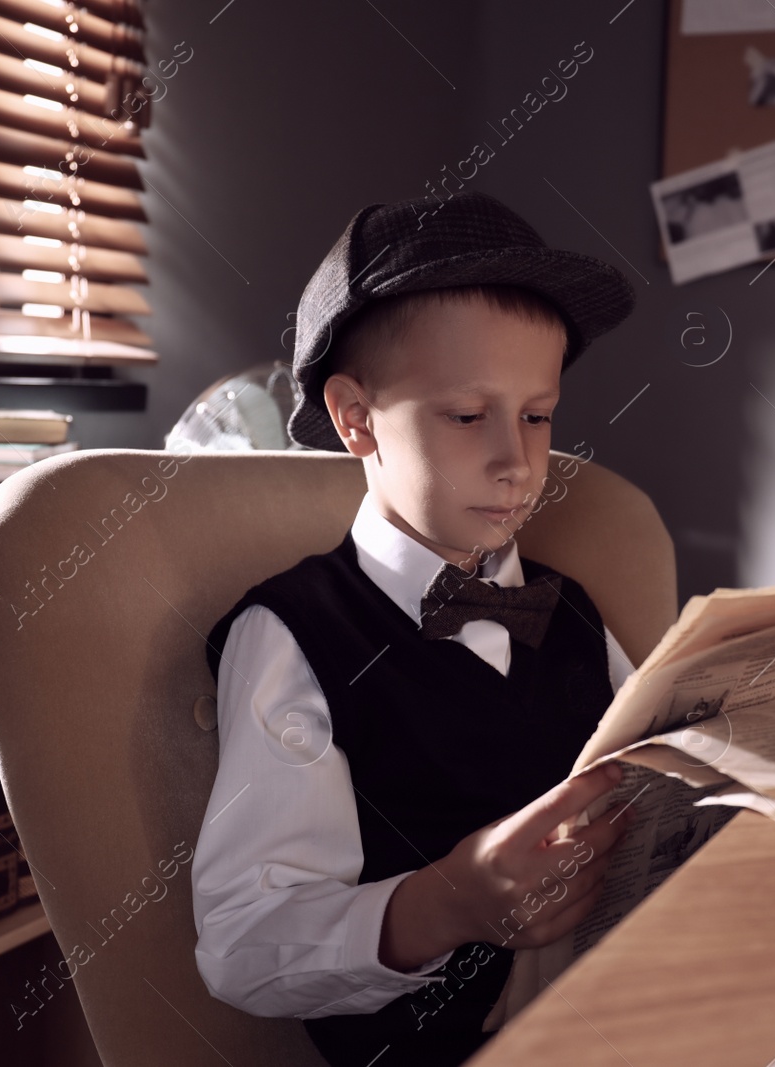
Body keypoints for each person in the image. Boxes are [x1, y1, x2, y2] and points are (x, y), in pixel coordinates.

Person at [192, 190, 643, 1066]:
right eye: (469, 416)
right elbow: (244, 944)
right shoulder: (293, 631)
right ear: (358, 419)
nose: (517, 461)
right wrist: (451, 901)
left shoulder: (573, 607)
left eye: (538, 415)